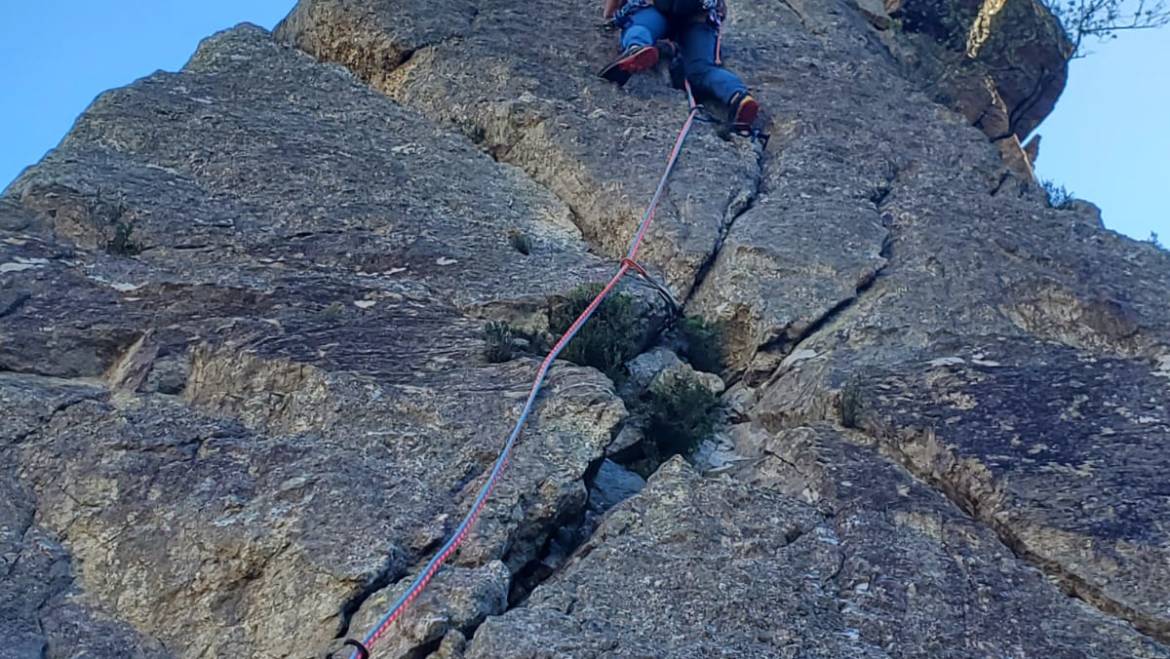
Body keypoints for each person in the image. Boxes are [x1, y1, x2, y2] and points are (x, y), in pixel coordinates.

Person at [599, 0, 759, 129]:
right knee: (702, 70)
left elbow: (612, 12)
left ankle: (637, 47)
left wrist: (610, 12)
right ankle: (737, 96)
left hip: (653, 6)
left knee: (641, 26)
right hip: (697, 14)